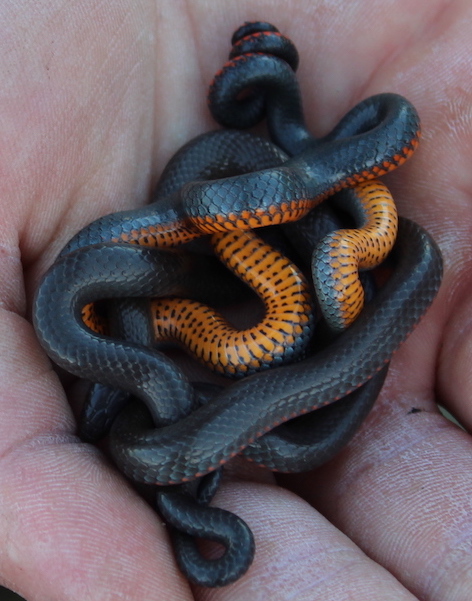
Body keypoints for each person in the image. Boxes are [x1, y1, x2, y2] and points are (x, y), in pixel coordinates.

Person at [1, 2, 471, 599]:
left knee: (353, 253)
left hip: (270, 230)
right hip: (205, 251)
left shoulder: (356, 216)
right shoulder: (111, 309)